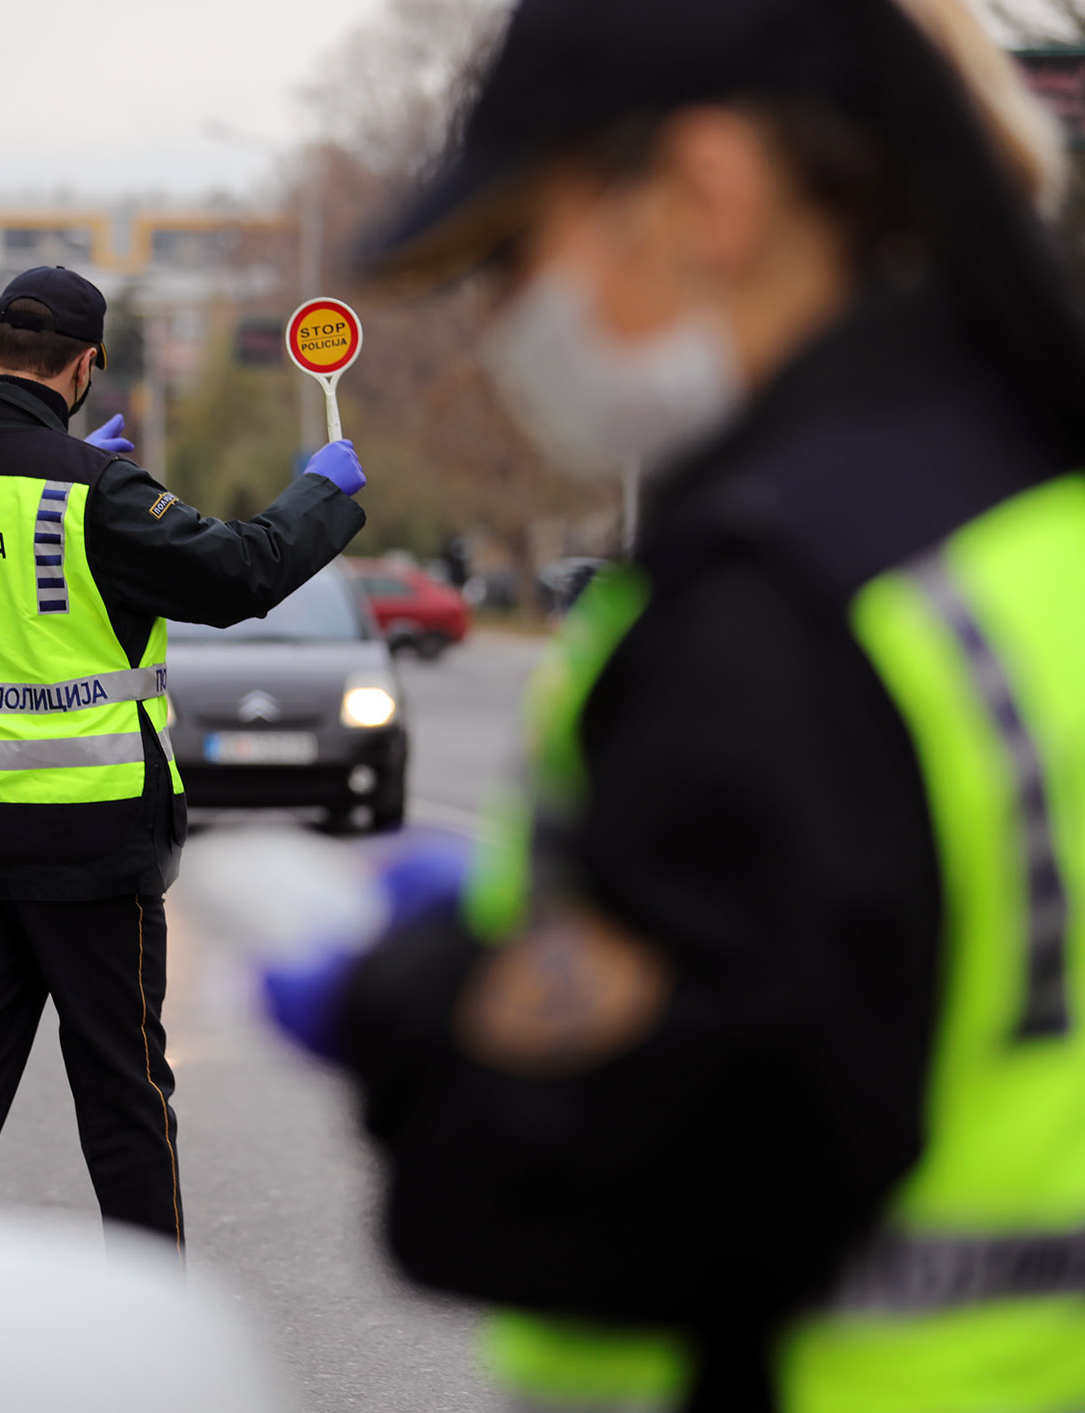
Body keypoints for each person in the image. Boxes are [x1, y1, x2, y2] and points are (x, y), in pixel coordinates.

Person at [260, 0, 1085, 1408]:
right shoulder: (1021, 524)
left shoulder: (779, 609)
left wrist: (424, 1009)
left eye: (522, 250)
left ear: (706, 189)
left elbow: (599, 1181)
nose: (507, 319)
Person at [0, 266, 368, 1249]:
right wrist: (320, 493)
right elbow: (236, 574)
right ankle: (155, 1334)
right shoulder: (92, 493)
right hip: (90, 843)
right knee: (123, 1097)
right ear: (85, 366)